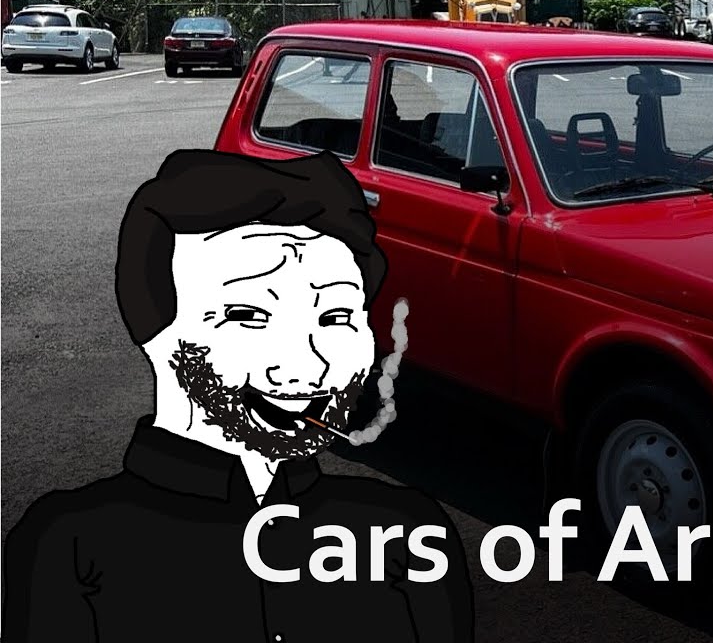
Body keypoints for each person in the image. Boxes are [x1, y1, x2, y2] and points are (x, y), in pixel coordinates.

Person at [2, 149, 473, 642]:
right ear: (152, 329)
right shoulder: (72, 546)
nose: (308, 366)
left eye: (335, 318)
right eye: (249, 316)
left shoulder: (407, 535)